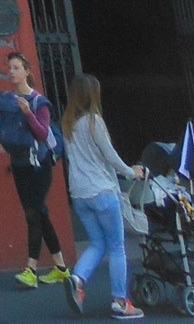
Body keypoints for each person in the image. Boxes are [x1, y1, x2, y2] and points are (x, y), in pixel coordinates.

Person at [62, 73, 146, 319]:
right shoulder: (93, 121)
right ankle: (121, 302)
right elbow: (109, 155)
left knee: (97, 243)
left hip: (79, 194)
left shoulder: (67, 123)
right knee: (117, 246)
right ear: (92, 95)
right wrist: (132, 172)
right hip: (102, 191)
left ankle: (77, 278)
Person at [0, 50, 70, 289]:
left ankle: (31, 269)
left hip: (40, 165)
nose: (12, 72)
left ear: (27, 71)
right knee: (39, 213)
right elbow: (7, 132)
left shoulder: (39, 102)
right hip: (19, 164)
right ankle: (60, 268)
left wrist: (28, 114)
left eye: (16, 68)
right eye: (9, 69)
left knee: (33, 213)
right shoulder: (7, 101)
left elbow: (43, 134)